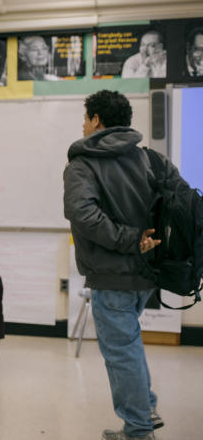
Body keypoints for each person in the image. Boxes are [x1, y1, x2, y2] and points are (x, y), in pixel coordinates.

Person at [63, 90, 185, 440]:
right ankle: (145, 406)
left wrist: (130, 238)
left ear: (97, 120)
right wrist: (151, 241)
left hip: (111, 274)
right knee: (129, 344)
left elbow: (82, 214)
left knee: (121, 353)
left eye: (86, 118)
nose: (83, 125)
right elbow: (182, 205)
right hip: (149, 272)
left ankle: (138, 430)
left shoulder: (83, 164)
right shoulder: (152, 160)